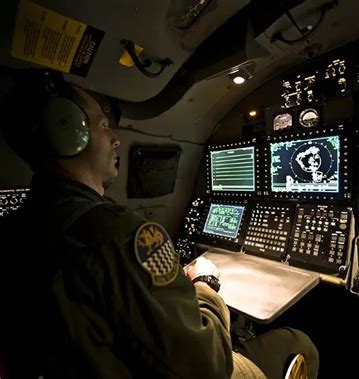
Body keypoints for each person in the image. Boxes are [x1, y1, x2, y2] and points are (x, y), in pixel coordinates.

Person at [0, 69, 319, 379]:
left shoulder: (15, 228)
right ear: (68, 132)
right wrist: (206, 286)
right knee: (298, 343)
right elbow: (207, 367)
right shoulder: (122, 236)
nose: (115, 141)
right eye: (103, 126)